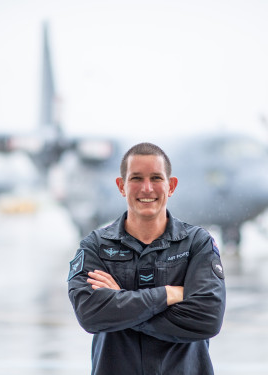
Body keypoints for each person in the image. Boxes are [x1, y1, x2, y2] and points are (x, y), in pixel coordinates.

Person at [67, 142, 226, 375]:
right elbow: (90, 314)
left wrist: (120, 304)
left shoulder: (197, 244)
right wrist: (168, 294)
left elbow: (207, 318)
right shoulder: (95, 247)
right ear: (121, 186)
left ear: (171, 186)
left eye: (156, 178)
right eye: (136, 178)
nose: (147, 188)